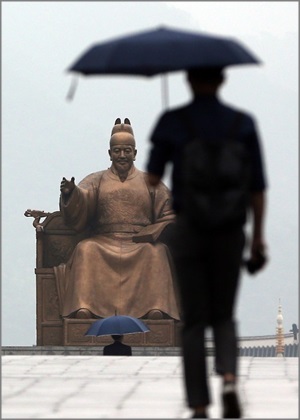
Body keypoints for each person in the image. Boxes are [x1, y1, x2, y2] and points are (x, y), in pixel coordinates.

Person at [146, 67, 268, 418]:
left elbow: (152, 179)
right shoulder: (242, 124)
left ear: (188, 81)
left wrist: (166, 146)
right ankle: (229, 378)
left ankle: (199, 404)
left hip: (190, 230)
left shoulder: (173, 121)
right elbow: (257, 187)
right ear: (222, 80)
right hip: (230, 231)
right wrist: (257, 238)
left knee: (195, 319)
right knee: (224, 314)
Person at [54, 118, 180, 322]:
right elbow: (83, 201)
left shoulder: (151, 182)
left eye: (127, 150)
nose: (122, 155)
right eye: (117, 151)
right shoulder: (96, 179)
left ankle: (156, 308)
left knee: (157, 253)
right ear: (110, 153)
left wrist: (160, 228)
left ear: (135, 153)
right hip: (104, 240)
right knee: (86, 249)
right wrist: (72, 193)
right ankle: (84, 307)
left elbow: (169, 211)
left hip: (139, 242)